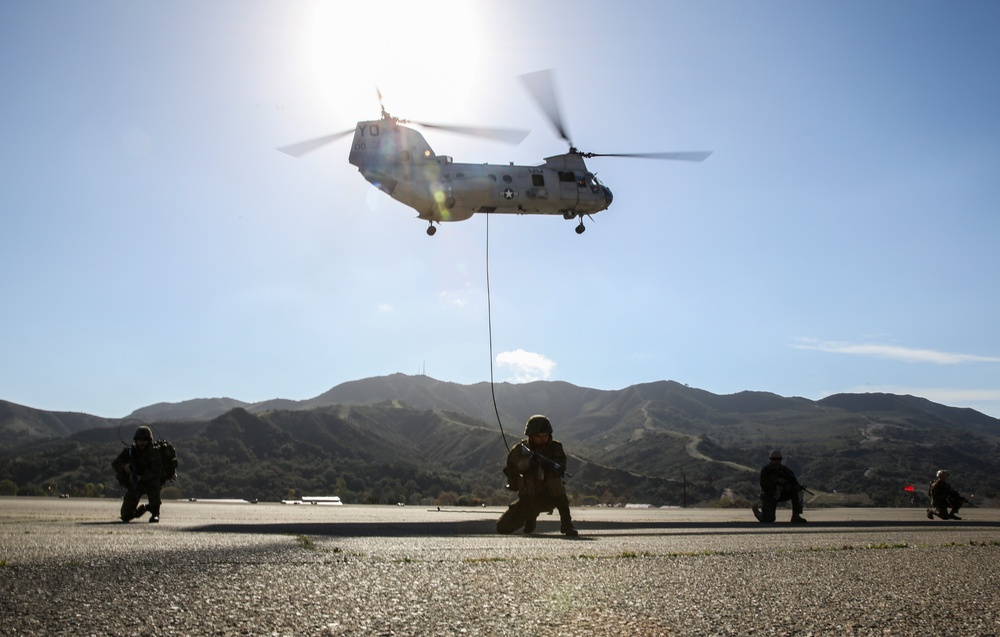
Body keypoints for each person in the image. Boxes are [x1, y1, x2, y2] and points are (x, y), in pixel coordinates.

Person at [497, 415, 577, 536]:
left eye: (545, 435)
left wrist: (543, 467)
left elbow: (560, 467)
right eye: (538, 436)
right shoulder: (519, 450)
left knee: (555, 482)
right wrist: (527, 467)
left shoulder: (555, 448)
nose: (543, 439)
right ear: (531, 436)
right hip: (528, 499)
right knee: (502, 528)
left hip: (549, 498)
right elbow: (510, 470)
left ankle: (567, 523)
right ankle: (530, 517)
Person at [112, 425, 163, 523]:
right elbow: (115, 464)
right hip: (135, 484)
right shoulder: (130, 452)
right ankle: (145, 508)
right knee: (125, 516)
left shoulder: (155, 452)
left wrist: (142, 477)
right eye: (139, 439)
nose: (142, 442)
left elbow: (156, 471)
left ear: (149, 440)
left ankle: (155, 512)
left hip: (149, 482)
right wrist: (124, 466)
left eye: (145, 440)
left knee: (155, 484)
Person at [752, 449, 807, 523]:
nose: (776, 461)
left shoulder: (786, 470)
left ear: (781, 460)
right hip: (769, 494)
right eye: (774, 459)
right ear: (770, 460)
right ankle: (756, 511)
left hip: (783, 493)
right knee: (768, 519)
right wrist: (776, 482)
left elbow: (794, 482)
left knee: (797, 491)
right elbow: (763, 485)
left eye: (778, 459)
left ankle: (796, 516)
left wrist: (795, 486)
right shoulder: (765, 470)